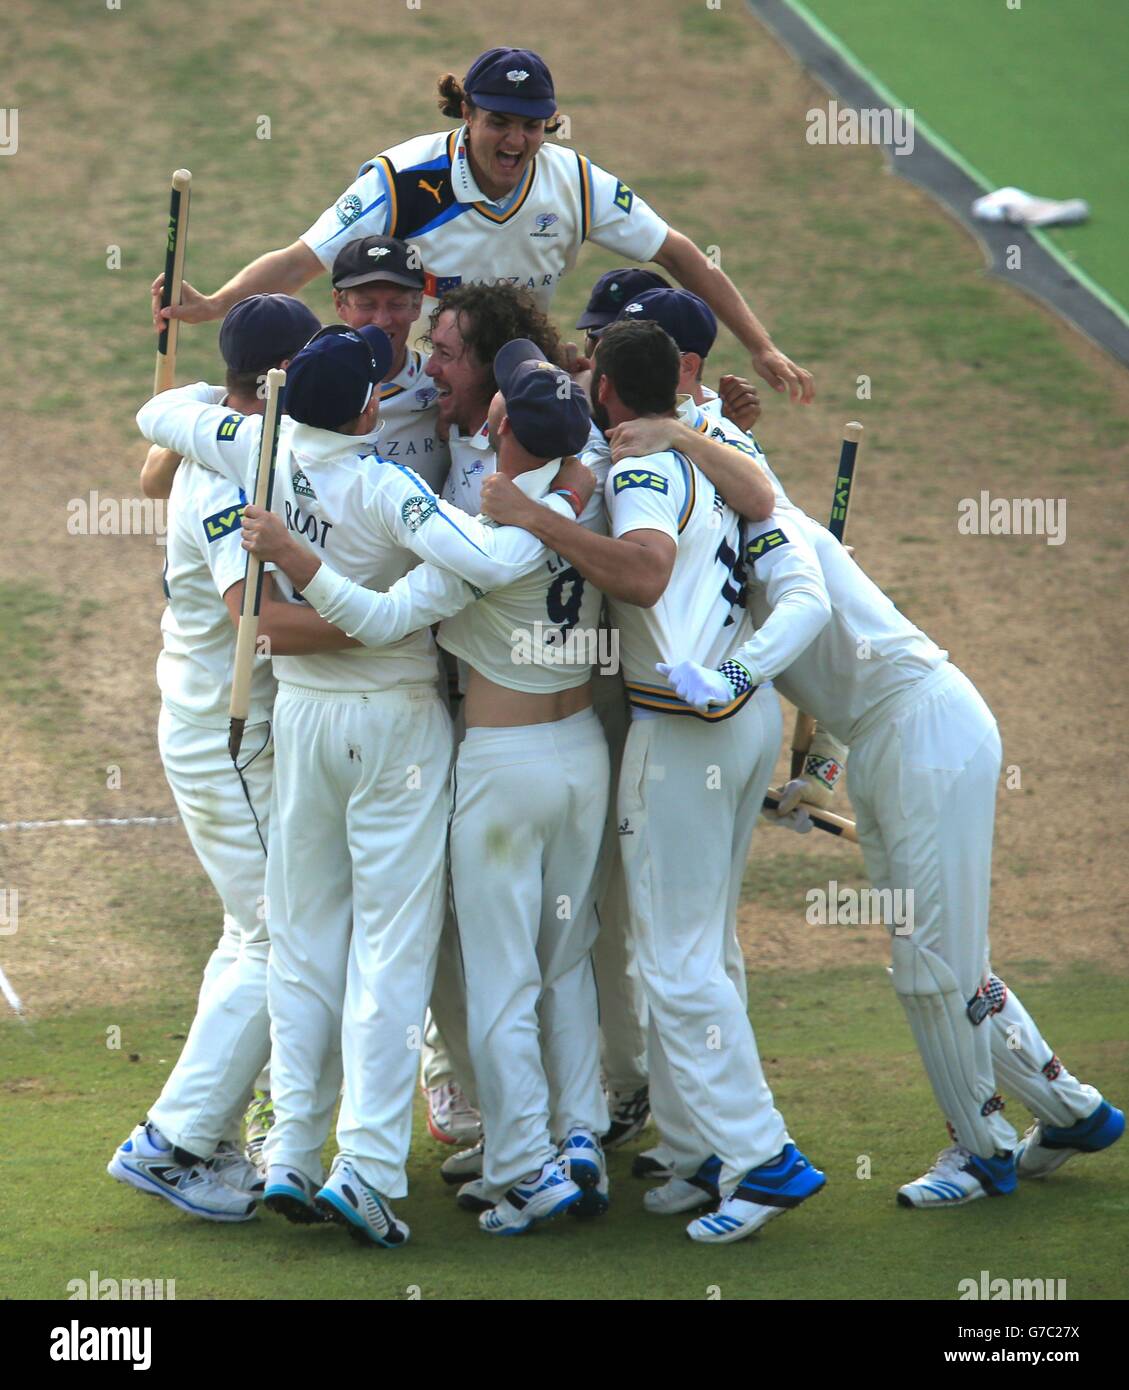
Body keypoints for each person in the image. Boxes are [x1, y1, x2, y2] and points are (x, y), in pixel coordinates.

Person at [135, 323, 589, 1247]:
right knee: (390, 950)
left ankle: (296, 1155)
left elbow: (154, 411)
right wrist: (566, 493)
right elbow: (496, 562)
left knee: (303, 946)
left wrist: (194, 366)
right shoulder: (386, 487)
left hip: (298, 723)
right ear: (369, 408)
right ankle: (367, 1170)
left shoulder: (251, 446)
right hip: (393, 728)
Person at [657, 487, 1125, 1208]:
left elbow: (833, 642)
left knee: (930, 970)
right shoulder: (738, 562)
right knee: (949, 963)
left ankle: (981, 1152)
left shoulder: (773, 533)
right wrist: (814, 780)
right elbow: (838, 676)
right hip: (891, 743)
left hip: (922, 734)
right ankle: (1072, 1113)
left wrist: (731, 680)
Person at [480, 319, 827, 1244]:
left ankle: (764, 1158)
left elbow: (641, 573)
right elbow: (759, 498)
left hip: (683, 734)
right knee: (699, 951)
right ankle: (702, 1150)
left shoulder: (637, 466)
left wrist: (530, 516)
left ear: (604, 392)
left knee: (672, 962)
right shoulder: (700, 446)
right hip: (736, 716)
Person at [151, 47, 814, 404]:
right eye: (499, 121)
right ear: (466, 113)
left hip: (522, 378)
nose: (515, 140)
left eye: (530, 126)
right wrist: (213, 306)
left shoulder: (576, 182)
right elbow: (300, 262)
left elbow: (680, 255)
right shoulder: (402, 180)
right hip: (416, 381)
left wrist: (759, 345)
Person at [108, 294, 362, 1221]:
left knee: (254, 933)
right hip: (227, 733)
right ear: (284, 382)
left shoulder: (231, 437)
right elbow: (252, 622)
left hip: (222, 724)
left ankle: (202, 1134)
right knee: (281, 937)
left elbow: (148, 474)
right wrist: (402, 622)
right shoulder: (227, 473)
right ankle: (175, 1144)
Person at [329, 234, 449, 493]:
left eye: (396, 304)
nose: (382, 320)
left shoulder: (444, 386)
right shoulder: (313, 385)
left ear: (417, 305)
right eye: (366, 304)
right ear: (340, 304)